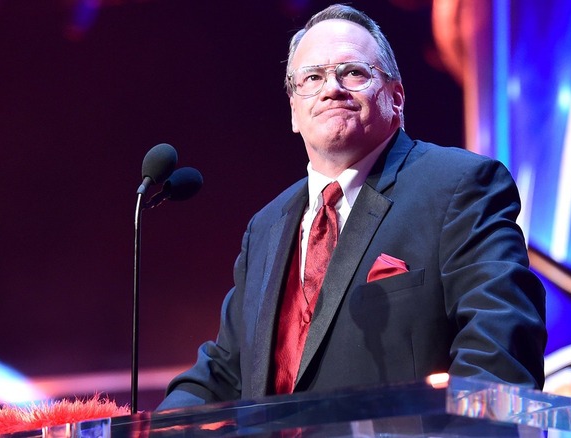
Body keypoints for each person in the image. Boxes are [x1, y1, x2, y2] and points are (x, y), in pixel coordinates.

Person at [157, 4, 546, 410]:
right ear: (293, 110)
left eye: (353, 73)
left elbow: (500, 349)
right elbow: (223, 372)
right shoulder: (266, 227)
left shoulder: (460, 186)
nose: (331, 89)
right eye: (312, 77)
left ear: (396, 97)